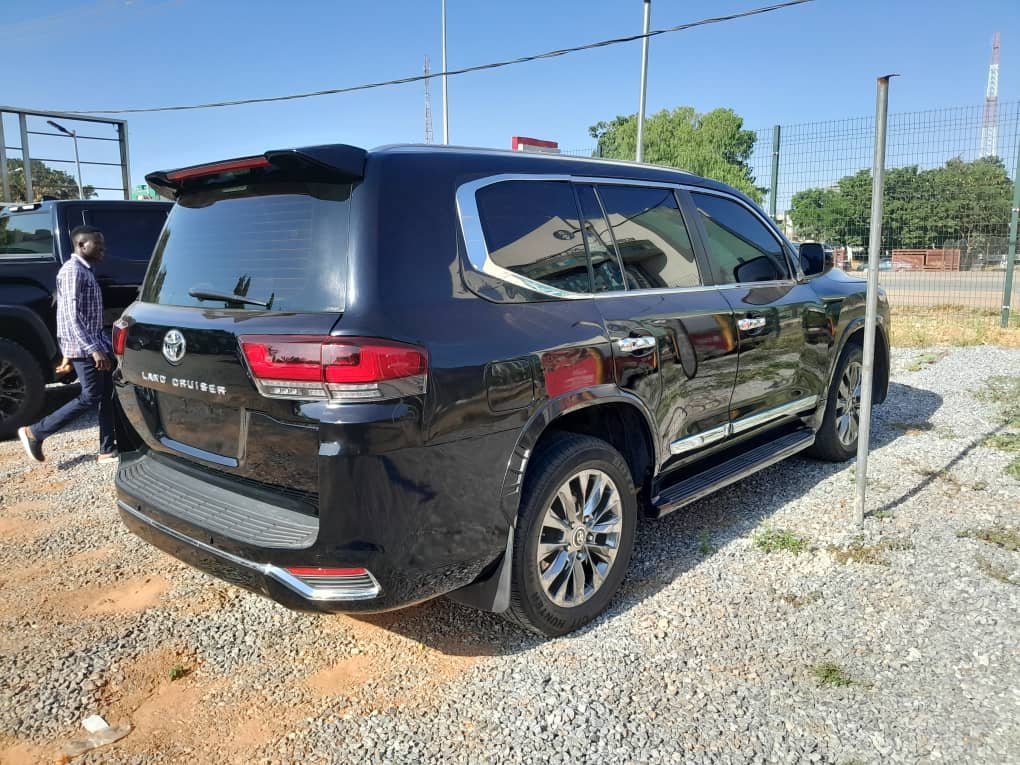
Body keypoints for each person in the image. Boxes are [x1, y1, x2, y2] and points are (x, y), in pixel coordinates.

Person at [18, 225, 117, 463]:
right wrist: (93, 349)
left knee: (106, 393)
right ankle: (35, 432)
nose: (102, 248)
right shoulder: (73, 271)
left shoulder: (85, 270)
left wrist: (101, 345)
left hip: (94, 343)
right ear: (81, 245)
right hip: (85, 347)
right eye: (97, 244)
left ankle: (107, 449)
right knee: (91, 395)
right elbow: (72, 316)